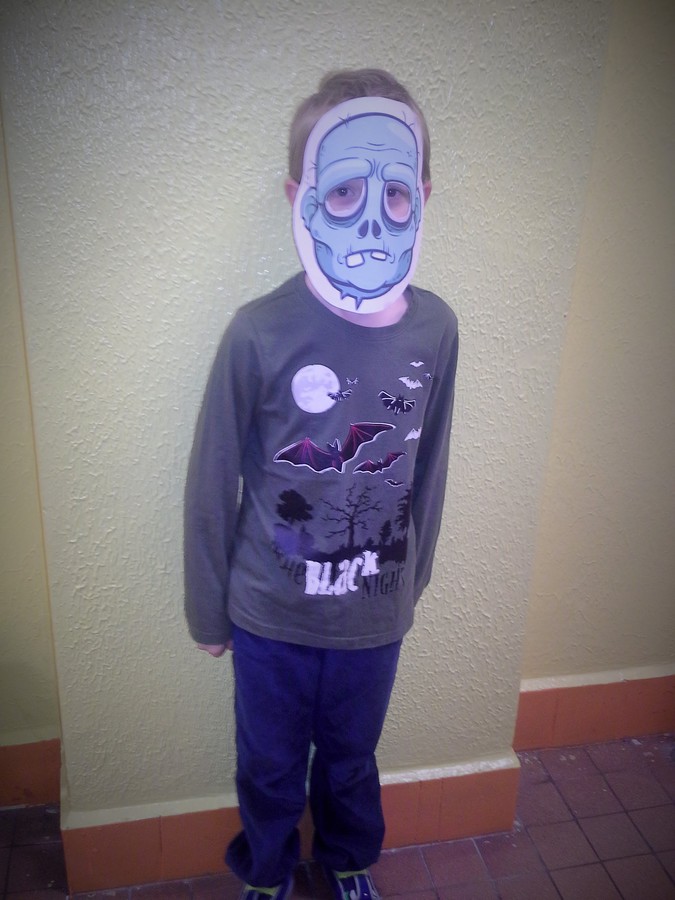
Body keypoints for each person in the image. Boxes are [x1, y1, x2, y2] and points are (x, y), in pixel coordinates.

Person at [184, 68, 459, 900]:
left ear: (421, 197)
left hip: (373, 615)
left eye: (395, 193)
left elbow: (430, 466)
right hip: (269, 613)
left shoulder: (435, 329)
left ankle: (346, 862)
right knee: (266, 761)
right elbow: (213, 477)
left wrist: (411, 582)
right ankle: (266, 872)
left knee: (350, 759)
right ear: (299, 199)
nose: (372, 215)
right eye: (341, 191)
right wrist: (207, 609)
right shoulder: (258, 332)